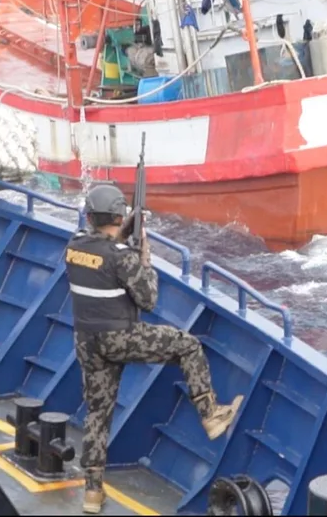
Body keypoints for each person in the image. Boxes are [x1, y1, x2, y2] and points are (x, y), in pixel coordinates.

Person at [68, 184, 243, 515]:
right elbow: (148, 299)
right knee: (187, 346)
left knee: (97, 413)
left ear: (89, 217)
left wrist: (124, 236)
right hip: (120, 337)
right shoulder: (122, 258)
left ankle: (92, 492)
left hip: (86, 341)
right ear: (119, 217)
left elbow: (99, 251)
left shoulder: (74, 247)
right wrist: (143, 256)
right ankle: (210, 414)